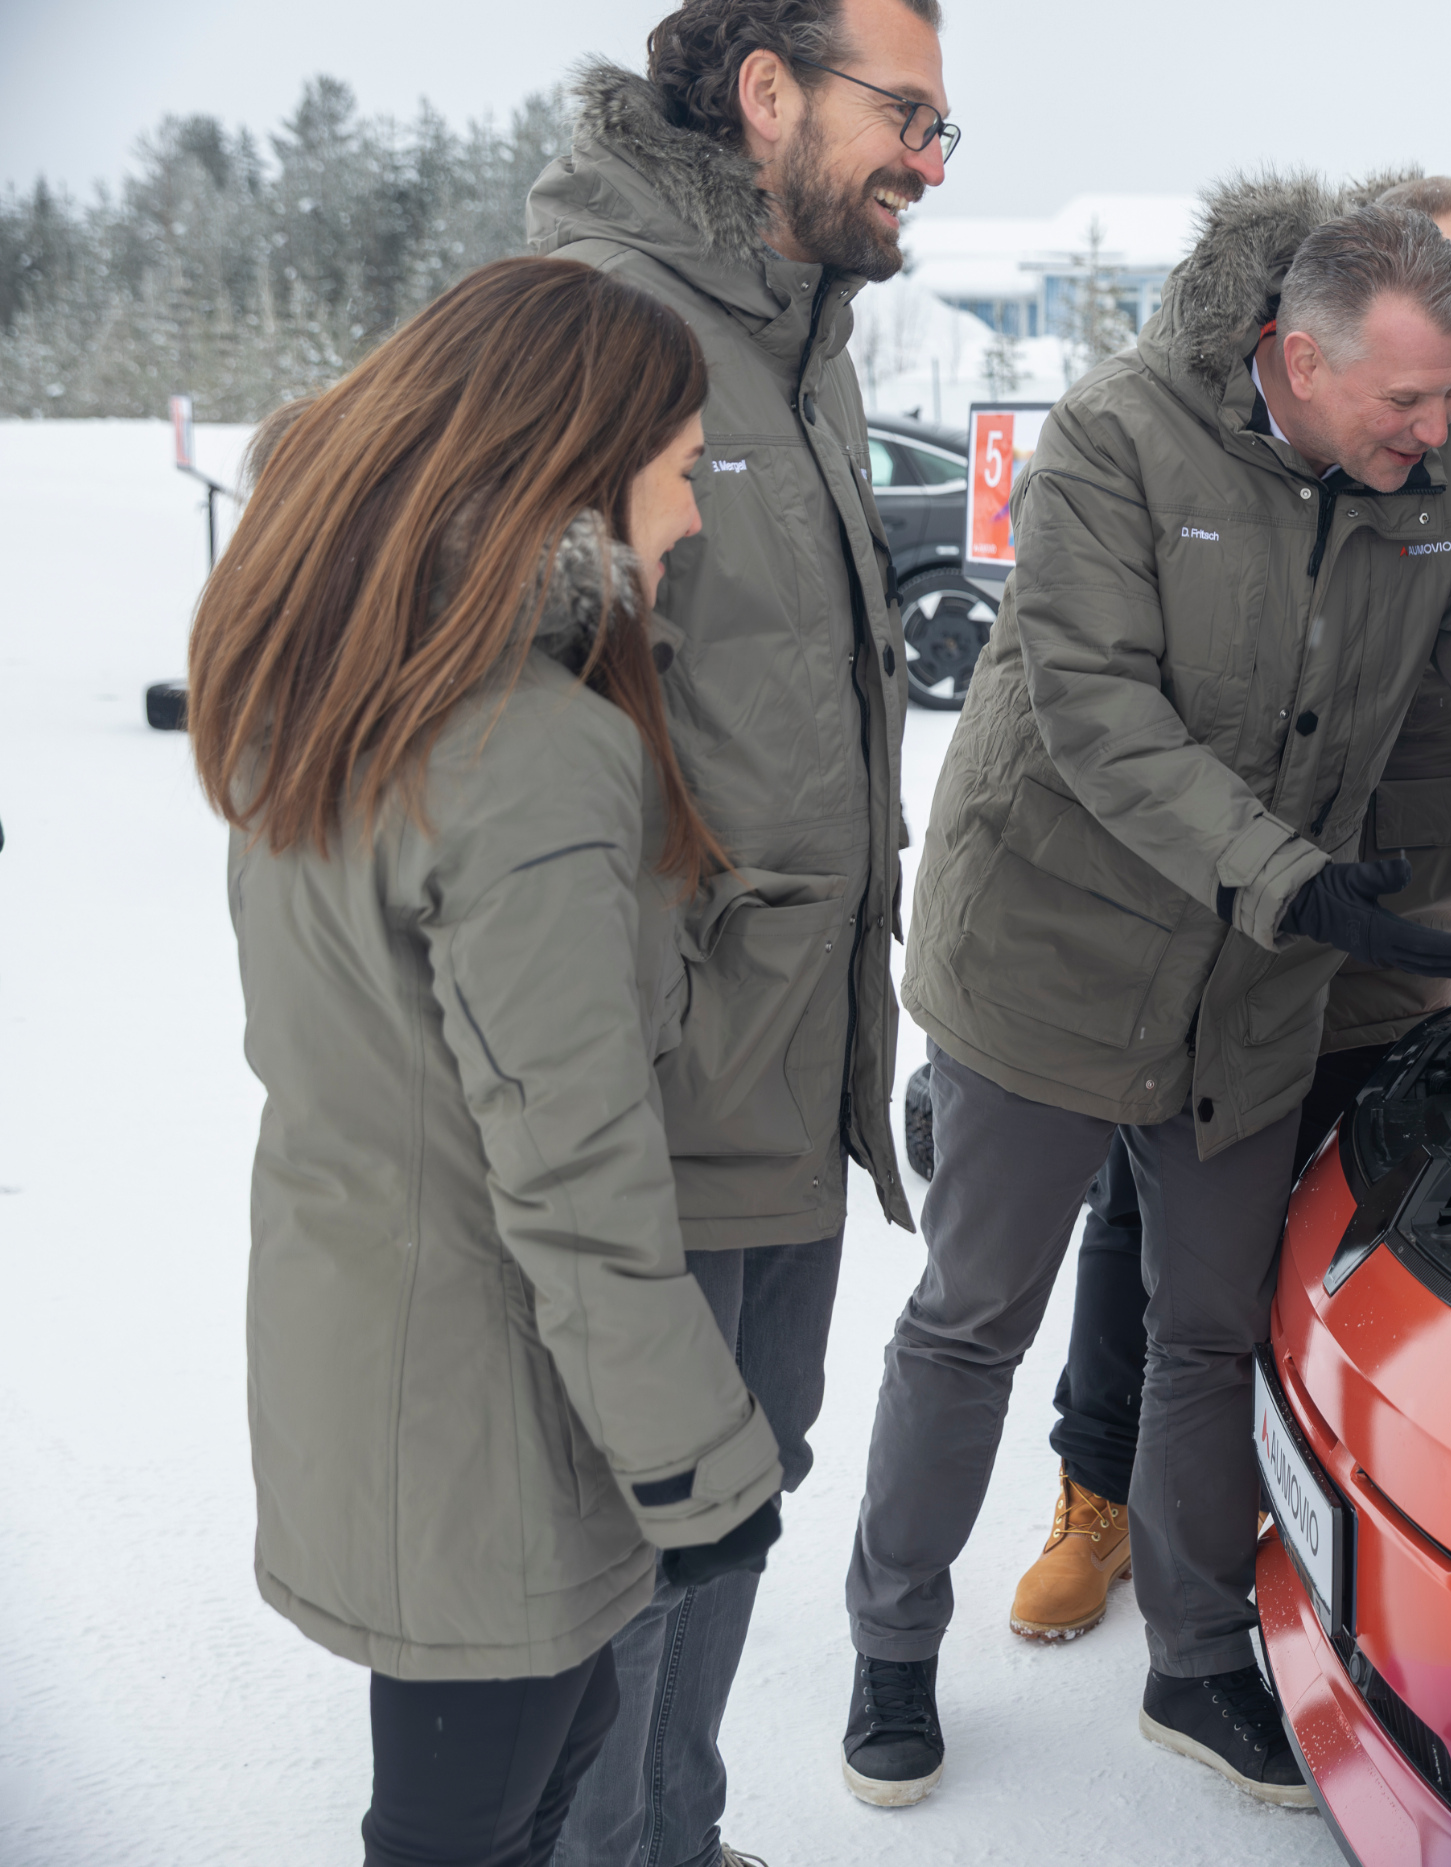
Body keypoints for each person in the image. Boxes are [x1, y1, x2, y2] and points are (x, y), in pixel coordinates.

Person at [843, 184, 1451, 1811]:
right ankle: (891, 1646)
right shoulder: (1116, 441)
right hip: (1055, 957)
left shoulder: (1448, 479)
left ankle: (1195, 1658)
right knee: (974, 1319)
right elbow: (1095, 708)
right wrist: (1291, 875)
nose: (1445, 431)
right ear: (1299, 358)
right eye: (1414, 399)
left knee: (1209, 1329)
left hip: (1255, 977)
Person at [189, 256, 786, 1867]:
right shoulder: (524, 751)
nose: (693, 519)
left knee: (506, 1790)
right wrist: (697, 1461)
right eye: (680, 471)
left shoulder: (342, 675)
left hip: (371, 1340)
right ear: (575, 469)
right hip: (488, 1401)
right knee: (467, 1826)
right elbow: (574, 1168)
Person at [1005, 171, 1451, 1645]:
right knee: (1141, 1224)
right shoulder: (1251, 442)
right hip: (1215, 918)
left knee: (1343, 1241)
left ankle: (1308, 1508)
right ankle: (1100, 1491)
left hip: (1399, 929)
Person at [524, 0, 947, 1859]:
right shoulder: (595, 331)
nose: (929, 159)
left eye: (944, 127)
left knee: (743, 1494)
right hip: (656, 1086)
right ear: (769, 93)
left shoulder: (806, 347)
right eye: (906, 112)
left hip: (794, 1064)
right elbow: (506, 752)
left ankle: (671, 1837)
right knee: (633, 1530)